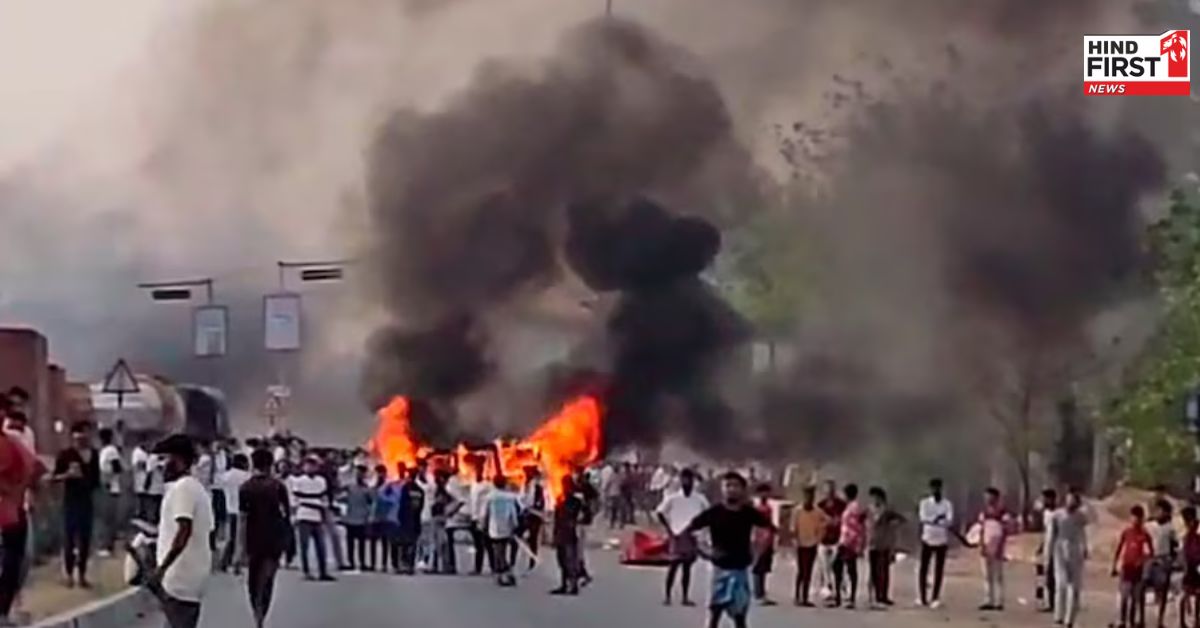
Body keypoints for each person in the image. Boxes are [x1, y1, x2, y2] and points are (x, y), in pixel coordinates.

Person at [682, 472, 775, 628]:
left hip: (740, 569)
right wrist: (703, 551)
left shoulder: (749, 513)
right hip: (719, 569)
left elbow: (768, 529)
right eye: (727, 485)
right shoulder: (714, 512)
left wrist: (758, 551)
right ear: (722, 489)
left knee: (740, 617)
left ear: (743, 489)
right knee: (714, 615)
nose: (731, 489)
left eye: (735, 486)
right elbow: (689, 530)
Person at [150, 434, 215, 628]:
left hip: (180, 576)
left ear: (177, 460)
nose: (161, 466)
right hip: (189, 576)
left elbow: (184, 532)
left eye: (164, 459)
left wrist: (161, 569)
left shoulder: (183, 489)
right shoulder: (196, 488)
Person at [0, 413, 43, 628]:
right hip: (10, 511)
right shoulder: (12, 443)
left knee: (16, 561)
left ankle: (4, 610)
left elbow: (35, 468)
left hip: (12, 511)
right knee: (12, 560)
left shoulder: (13, 442)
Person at [239, 448, 290, 628]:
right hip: (274, 540)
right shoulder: (278, 487)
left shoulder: (246, 487)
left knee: (253, 581)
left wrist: (240, 548)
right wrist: (288, 543)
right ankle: (261, 614)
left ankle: (257, 613)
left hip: (253, 540)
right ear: (271, 465)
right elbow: (286, 516)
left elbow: (242, 519)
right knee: (267, 580)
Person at [53, 422, 100, 588]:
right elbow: (54, 477)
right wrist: (68, 475)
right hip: (71, 501)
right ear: (73, 436)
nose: (83, 437)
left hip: (86, 501)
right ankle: (68, 574)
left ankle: (82, 574)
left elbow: (96, 481)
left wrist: (86, 480)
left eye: (86, 433)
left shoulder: (94, 454)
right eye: (80, 433)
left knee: (85, 539)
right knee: (70, 538)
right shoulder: (66, 455)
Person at [656, 468, 709, 606]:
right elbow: (660, 512)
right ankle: (667, 596)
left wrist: (701, 531)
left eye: (689, 479)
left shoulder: (699, 498)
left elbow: (708, 514)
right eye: (684, 479)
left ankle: (685, 597)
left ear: (693, 481)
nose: (687, 482)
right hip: (677, 534)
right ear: (681, 481)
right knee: (673, 566)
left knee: (687, 568)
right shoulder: (673, 498)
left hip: (691, 535)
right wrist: (669, 529)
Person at [288, 456, 335, 582]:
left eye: (313, 465)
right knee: (304, 545)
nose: (310, 467)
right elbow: (295, 499)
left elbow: (324, 498)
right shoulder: (299, 481)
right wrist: (294, 515)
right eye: (308, 465)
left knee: (321, 546)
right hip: (303, 515)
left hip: (317, 515)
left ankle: (323, 571)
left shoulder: (321, 481)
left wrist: (324, 511)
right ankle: (306, 571)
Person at [1050, 486, 1089, 628]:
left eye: (1074, 499)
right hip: (1060, 547)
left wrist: (1085, 547)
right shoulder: (1057, 515)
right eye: (1070, 498)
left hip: (1075, 548)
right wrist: (1049, 551)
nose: (1071, 501)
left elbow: (1083, 531)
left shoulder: (1080, 516)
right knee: (1061, 584)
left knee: (1075, 586)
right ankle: (1058, 616)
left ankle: (1070, 618)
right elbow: (1052, 534)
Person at [1114, 504, 1154, 628]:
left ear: (1142, 519)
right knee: (1124, 596)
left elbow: (1150, 553)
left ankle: (1132, 621)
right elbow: (1120, 547)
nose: (1135, 520)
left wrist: (1144, 563)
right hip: (1127, 567)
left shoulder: (1145, 535)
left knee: (1135, 597)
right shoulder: (1126, 532)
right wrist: (1115, 564)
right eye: (1133, 517)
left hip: (1138, 570)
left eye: (1138, 517)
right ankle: (1121, 620)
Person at [917, 477, 954, 609]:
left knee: (939, 570)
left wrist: (935, 520)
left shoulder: (947, 504)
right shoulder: (925, 503)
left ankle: (935, 597)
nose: (936, 490)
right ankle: (922, 597)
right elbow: (923, 518)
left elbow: (949, 521)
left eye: (938, 488)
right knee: (923, 569)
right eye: (933, 488)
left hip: (942, 539)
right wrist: (938, 519)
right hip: (927, 538)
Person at [867, 486, 904, 609]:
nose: (874, 499)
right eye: (872, 497)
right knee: (873, 571)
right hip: (872, 543)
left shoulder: (887, 510)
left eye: (876, 497)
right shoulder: (869, 509)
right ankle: (874, 596)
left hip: (884, 544)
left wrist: (892, 527)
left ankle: (883, 596)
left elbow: (901, 519)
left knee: (883, 571)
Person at [550, 474, 587, 596]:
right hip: (561, 533)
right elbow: (557, 519)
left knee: (570, 560)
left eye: (567, 485)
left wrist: (577, 522)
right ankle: (564, 585)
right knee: (561, 560)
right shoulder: (560, 499)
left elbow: (586, 515)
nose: (565, 487)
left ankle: (573, 585)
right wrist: (554, 535)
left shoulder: (576, 501)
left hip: (571, 534)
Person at [791, 485, 828, 607]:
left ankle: (804, 597)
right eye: (807, 495)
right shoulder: (798, 511)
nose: (809, 498)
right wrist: (795, 540)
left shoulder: (818, 512)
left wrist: (819, 538)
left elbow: (825, 523)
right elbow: (793, 527)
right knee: (801, 571)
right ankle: (797, 596)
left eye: (811, 495)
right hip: (800, 544)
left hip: (812, 544)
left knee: (808, 571)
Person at [978, 487, 1013, 611]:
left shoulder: (1002, 512)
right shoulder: (983, 512)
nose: (987, 499)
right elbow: (981, 529)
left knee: (998, 575)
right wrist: (981, 545)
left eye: (990, 496)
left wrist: (1001, 546)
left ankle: (999, 601)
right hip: (986, 544)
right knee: (987, 575)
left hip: (997, 546)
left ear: (996, 498)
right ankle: (988, 599)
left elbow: (1006, 530)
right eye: (986, 496)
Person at [484, 474, 522, 587]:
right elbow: (513, 513)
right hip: (506, 527)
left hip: (494, 528)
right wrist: (515, 525)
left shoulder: (490, 497)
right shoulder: (510, 497)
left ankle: (504, 574)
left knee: (498, 551)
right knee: (502, 550)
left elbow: (486, 513)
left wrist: (483, 524)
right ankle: (505, 574)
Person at [832, 483, 866, 609]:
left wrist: (857, 542)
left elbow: (857, 525)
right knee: (838, 566)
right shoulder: (851, 507)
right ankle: (840, 596)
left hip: (850, 541)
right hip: (846, 540)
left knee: (849, 568)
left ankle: (849, 597)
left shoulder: (854, 508)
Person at [218, 454, 251, 575]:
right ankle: (237, 564)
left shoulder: (226, 476)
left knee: (230, 538)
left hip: (229, 509)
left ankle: (223, 562)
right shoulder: (247, 477)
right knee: (241, 539)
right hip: (242, 511)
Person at [1147, 499, 1178, 628]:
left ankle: (1159, 619)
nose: (1158, 513)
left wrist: (1171, 561)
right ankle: (1140, 618)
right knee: (1141, 588)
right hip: (1149, 559)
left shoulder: (1170, 528)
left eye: (1160, 510)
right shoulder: (1149, 526)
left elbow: (1174, 546)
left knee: (1162, 591)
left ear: (1166, 513)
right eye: (1157, 510)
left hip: (1163, 561)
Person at [816, 480, 846, 602]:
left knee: (837, 566)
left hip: (837, 539)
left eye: (831, 489)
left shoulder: (841, 505)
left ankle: (839, 588)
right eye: (827, 490)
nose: (829, 492)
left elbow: (845, 519)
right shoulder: (820, 505)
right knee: (824, 566)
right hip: (823, 539)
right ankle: (827, 588)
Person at [428, 470, 462, 574]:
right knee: (437, 543)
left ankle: (444, 566)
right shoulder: (438, 489)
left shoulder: (446, 490)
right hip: (436, 518)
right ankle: (437, 565)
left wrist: (450, 511)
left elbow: (459, 501)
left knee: (442, 543)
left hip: (441, 519)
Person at [396, 465, 427, 575]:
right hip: (415, 520)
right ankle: (410, 566)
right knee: (412, 544)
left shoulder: (405, 488)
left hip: (406, 520)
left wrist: (399, 518)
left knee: (404, 544)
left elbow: (402, 505)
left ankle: (404, 565)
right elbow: (421, 506)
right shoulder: (420, 490)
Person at [342, 465, 374, 572]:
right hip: (350, 518)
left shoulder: (367, 488)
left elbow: (371, 502)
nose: (359, 475)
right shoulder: (349, 487)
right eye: (358, 473)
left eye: (361, 473)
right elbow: (342, 497)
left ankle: (362, 562)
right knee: (350, 543)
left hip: (362, 519)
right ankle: (351, 562)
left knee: (361, 544)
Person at [97, 427, 123, 557]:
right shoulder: (103, 451)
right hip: (105, 487)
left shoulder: (111, 451)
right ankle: (106, 544)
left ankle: (108, 546)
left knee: (109, 519)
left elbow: (117, 467)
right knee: (105, 519)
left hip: (111, 488)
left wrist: (109, 478)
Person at [467, 460, 495, 575]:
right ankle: (478, 567)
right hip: (474, 517)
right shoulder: (473, 485)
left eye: (480, 470)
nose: (478, 473)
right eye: (476, 470)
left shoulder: (487, 486)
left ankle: (494, 566)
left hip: (484, 518)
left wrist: (484, 518)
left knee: (488, 543)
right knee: (478, 544)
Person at [751, 484, 777, 606]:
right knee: (758, 567)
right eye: (763, 492)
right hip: (759, 539)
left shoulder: (769, 507)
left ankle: (762, 592)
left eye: (767, 492)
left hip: (768, 539)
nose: (765, 495)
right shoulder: (757, 508)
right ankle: (758, 593)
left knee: (764, 568)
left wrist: (774, 529)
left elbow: (769, 523)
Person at [519, 465, 548, 570]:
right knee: (519, 535)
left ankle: (532, 559)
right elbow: (522, 498)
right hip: (525, 513)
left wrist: (538, 510)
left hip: (534, 515)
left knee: (533, 538)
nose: (527, 475)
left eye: (529, 473)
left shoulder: (538, 487)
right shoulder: (525, 484)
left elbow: (541, 502)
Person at [368, 464, 395, 572]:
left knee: (385, 541)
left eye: (381, 472)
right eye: (378, 472)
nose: (380, 475)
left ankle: (384, 564)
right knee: (373, 541)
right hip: (374, 516)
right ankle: (373, 563)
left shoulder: (389, 485)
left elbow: (392, 500)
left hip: (385, 517)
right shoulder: (373, 484)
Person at [1037, 488, 1060, 613]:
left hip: (1056, 549)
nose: (1044, 501)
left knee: (1053, 577)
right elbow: (1046, 531)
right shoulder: (1045, 513)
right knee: (1043, 576)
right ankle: (1044, 601)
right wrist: (1041, 546)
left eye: (1046, 499)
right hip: (1046, 547)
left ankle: (1053, 603)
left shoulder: (1058, 514)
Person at [1180, 506, 1200, 628]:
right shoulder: (1188, 536)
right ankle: (1186, 621)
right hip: (1191, 567)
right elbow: (1186, 553)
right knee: (1188, 595)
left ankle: (1195, 620)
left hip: (1195, 566)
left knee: (1196, 594)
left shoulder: (1194, 534)